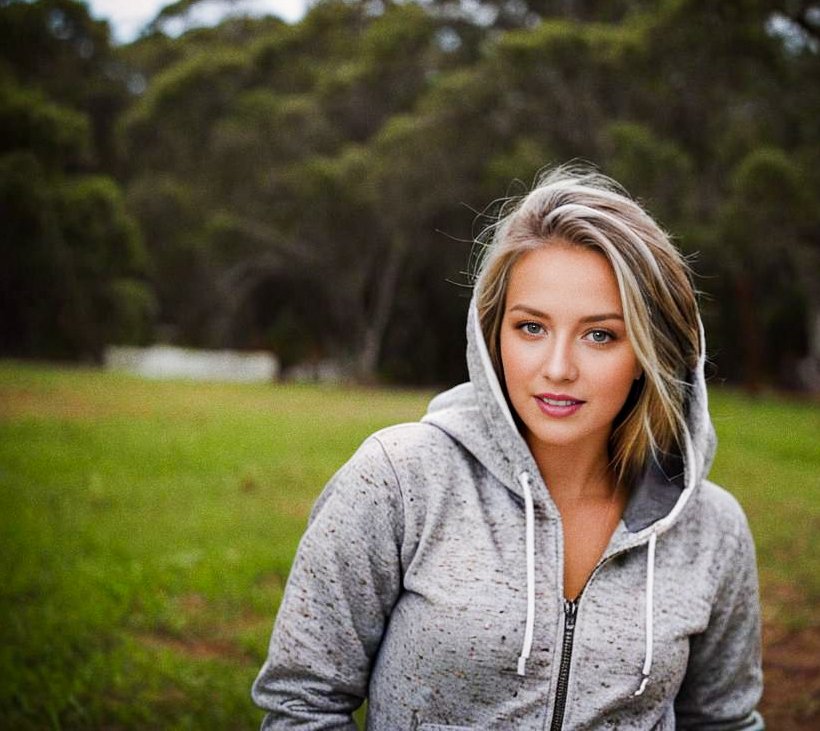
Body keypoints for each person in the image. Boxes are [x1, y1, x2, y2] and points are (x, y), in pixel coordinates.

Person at [252, 165, 764, 730]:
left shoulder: (712, 529)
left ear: (649, 353)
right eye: (531, 328)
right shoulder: (399, 479)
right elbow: (301, 704)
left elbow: (723, 724)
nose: (558, 368)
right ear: (492, 334)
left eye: (601, 335)